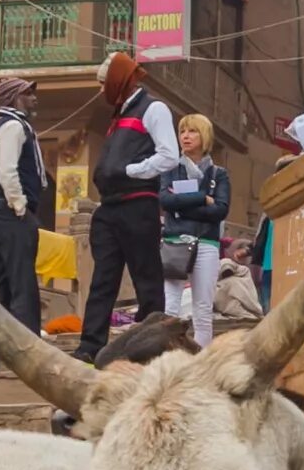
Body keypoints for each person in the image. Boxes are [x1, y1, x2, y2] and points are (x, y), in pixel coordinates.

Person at [78, 50, 178, 364]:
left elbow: (168, 155)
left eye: (103, 83)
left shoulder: (154, 109)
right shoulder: (119, 115)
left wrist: (131, 171)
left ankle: (154, 346)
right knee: (102, 279)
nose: (101, 90)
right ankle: (90, 346)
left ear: (118, 80)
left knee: (146, 277)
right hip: (109, 208)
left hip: (138, 205)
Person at [0, 75, 51, 375]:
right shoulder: (14, 126)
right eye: (29, 94)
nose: (34, 98)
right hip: (9, 212)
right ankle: (32, 357)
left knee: (1, 294)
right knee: (23, 287)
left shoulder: (9, 126)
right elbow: (7, 171)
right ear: (14, 98)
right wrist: (20, 206)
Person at [161, 113, 233, 348]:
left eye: (192, 131)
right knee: (170, 307)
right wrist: (203, 198)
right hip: (175, 242)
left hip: (206, 244)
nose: (185, 136)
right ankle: (169, 356)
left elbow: (220, 210)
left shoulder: (218, 174)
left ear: (205, 136)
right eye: (182, 131)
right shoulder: (172, 168)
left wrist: (183, 206)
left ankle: (201, 359)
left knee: (202, 309)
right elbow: (166, 202)